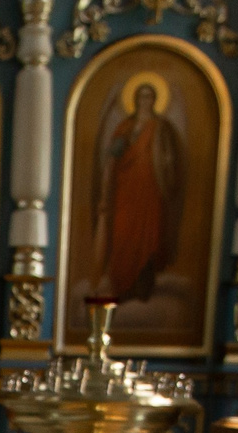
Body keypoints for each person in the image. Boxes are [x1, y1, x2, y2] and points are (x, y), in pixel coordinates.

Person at [90, 78, 181, 304]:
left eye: (149, 96)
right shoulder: (125, 128)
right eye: (141, 96)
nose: (145, 100)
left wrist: (164, 167)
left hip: (150, 193)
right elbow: (112, 160)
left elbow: (169, 161)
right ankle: (121, 283)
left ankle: (142, 286)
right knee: (123, 235)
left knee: (148, 238)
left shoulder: (161, 128)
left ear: (155, 100)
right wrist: (104, 192)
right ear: (134, 99)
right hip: (126, 192)